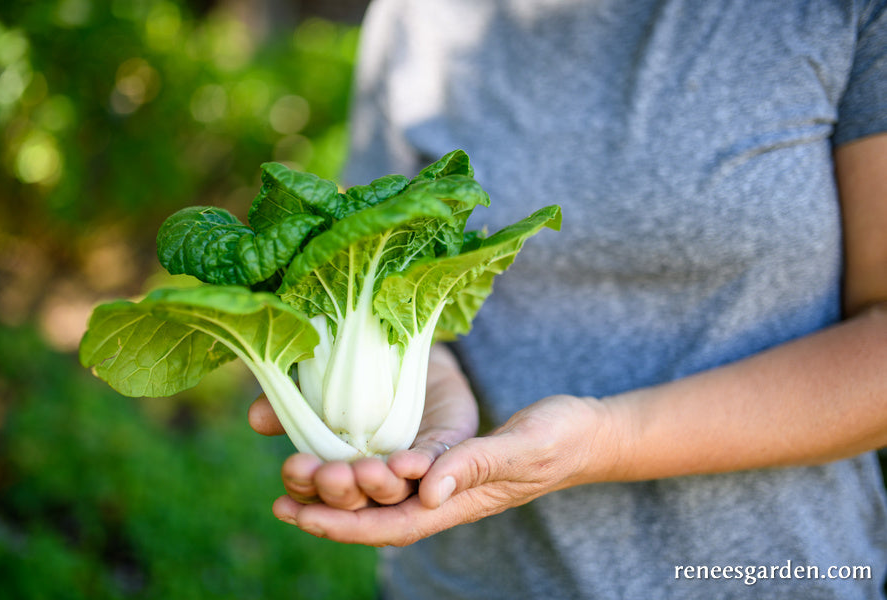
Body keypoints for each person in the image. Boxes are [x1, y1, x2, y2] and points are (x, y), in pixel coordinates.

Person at [248, 0, 887, 597]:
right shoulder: (419, 15)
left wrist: (608, 438)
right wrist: (434, 378)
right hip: (464, 575)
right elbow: (353, 258)